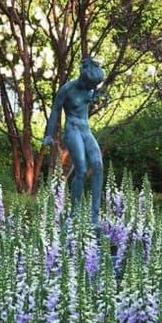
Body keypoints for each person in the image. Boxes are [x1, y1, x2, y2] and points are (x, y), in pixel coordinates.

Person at [42, 57, 106, 224]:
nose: (92, 88)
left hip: (86, 130)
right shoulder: (67, 89)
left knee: (98, 165)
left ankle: (94, 217)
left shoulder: (90, 89)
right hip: (72, 129)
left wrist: (95, 97)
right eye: (91, 85)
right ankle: (74, 215)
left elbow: (91, 99)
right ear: (83, 79)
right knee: (81, 170)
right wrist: (49, 134)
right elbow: (56, 110)